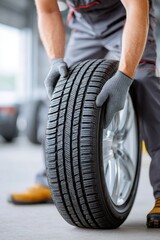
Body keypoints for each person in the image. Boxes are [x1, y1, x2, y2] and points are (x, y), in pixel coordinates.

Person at [9, 0, 160, 228]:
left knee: (144, 83)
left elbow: (136, 9)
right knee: (63, 90)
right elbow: (48, 11)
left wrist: (125, 77)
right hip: (84, 25)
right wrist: (55, 60)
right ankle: (53, 180)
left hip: (126, 16)